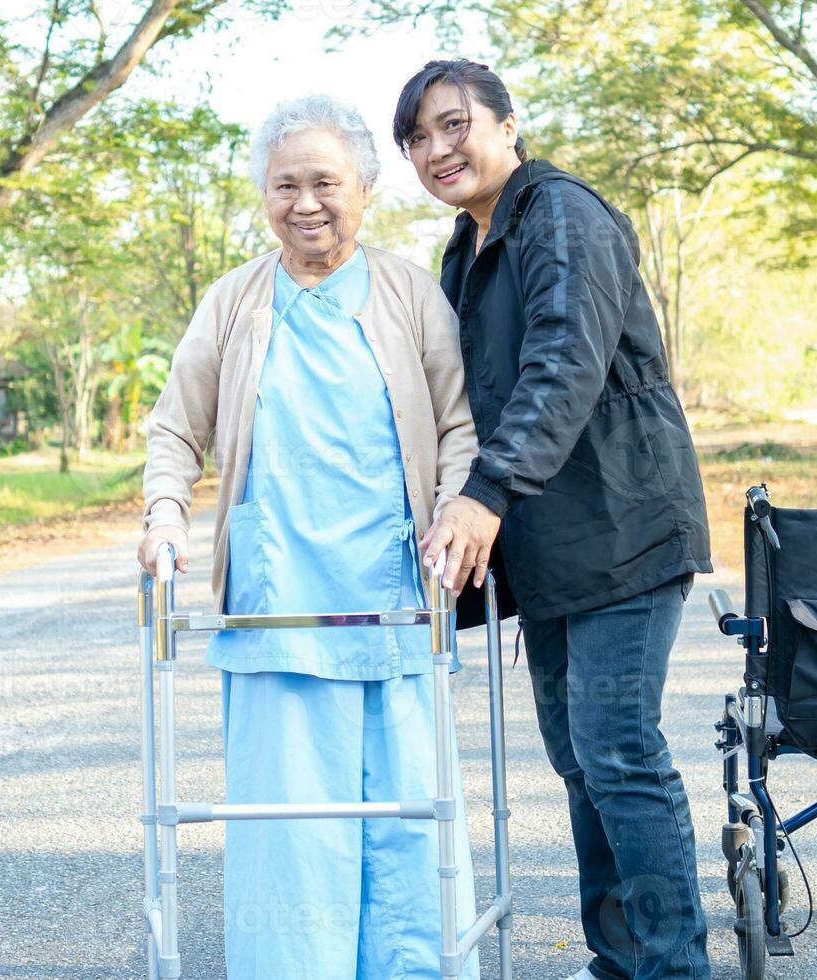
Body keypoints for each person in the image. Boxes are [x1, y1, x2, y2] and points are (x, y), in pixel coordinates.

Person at [137, 94, 481, 980]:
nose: (306, 203)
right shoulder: (234, 300)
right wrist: (165, 517)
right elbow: (177, 427)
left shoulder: (411, 293)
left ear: (365, 188)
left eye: (325, 182)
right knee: (291, 836)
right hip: (277, 603)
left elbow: (459, 426)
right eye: (284, 185)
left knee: (405, 826)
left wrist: (454, 511)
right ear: (264, 196)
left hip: (398, 597)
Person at [395, 60, 715, 980]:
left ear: (506, 123)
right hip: (550, 543)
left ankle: (673, 966)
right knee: (578, 756)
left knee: (617, 746)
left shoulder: (562, 214)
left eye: (453, 124)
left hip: (626, 521)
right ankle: (618, 959)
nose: (436, 149)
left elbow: (564, 363)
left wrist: (487, 493)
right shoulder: (466, 247)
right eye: (418, 137)